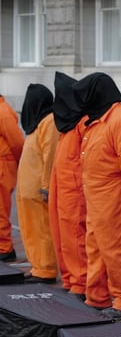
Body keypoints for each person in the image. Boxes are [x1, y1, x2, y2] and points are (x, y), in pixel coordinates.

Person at [73, 72, 121, 320]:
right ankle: (97, 296)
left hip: (114, 197)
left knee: (116, 248)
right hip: (97, 196)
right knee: (96, 247)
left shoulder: (120, 119)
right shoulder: (97, 119)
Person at [49, 72, 88, 300]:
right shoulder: (65, 126)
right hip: (62, 186)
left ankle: (80, 282)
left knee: (75, 237)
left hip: (74, 189)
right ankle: (70, 278)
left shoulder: (81, 124)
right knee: (61, 235)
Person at [17, 84, 59, 284]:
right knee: (30, 230)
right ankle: (37, 265)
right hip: (27, 190)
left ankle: (46, 268)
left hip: (37, 189)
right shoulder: (37, 123)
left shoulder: (49, 121)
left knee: (42, 230)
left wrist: (46, 185)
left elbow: (50, 154)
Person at [0, 91, 24, 263]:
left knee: (1, 208)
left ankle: (4, 247)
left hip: (3, 164)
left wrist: (17, 162)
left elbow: (17, 142)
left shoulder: (3, 111)